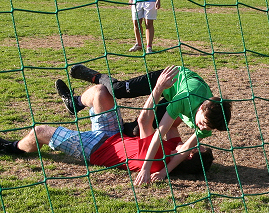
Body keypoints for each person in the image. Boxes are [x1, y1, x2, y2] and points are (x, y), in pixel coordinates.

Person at [0, 67, 214, 181]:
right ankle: (74, 104)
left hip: (97, 148)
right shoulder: (174, 148)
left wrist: (157, 90)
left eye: (198, 144)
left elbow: (144, 120)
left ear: (190, 154)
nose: (194, 139)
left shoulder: (158, 158)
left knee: (40, 131)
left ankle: (13, 148)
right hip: (114, 133)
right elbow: (174, 126)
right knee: (101, 93)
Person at [68, 64, 232, 185]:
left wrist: (163, 172)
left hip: (173, 99)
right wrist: (145, 168)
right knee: (118, 90)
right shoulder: (185, 99)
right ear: (202, 107)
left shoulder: (207, 124)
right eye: (203, 124)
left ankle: (75, 103)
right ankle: (96, 77)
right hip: (168, 79)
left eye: (208, 128)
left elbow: (185, 150)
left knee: (135, 130)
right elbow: (160, 133)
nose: (202, 129)